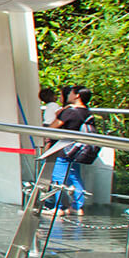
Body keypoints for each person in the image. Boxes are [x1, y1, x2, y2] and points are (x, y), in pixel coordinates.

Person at [46, 86, 94, 214]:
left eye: (71, 93)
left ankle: (58, 207)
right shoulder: (87, 112)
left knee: (59, 177)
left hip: (64, 148)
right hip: (77, 149)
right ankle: (78, 207)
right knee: (75, 177)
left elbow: (53, 126)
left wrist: (59, 114)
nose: (68, 96)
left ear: (77, 95)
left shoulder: (70, 112)